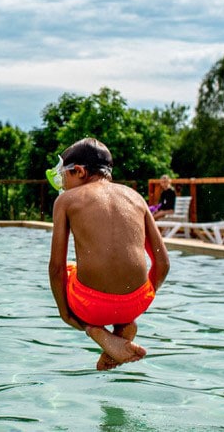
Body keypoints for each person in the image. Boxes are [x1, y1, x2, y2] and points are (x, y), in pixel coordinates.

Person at [48, 138, 170, 370]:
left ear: (80, 171)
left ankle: (97, 332)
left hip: (89, 308)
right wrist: (145, 296)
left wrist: (67, 315)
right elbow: (163, 263)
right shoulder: (135, 197)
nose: (63, 185)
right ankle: (125, 324)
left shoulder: (66, 201)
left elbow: (56, 268)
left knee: (70, 270)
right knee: (127, 292)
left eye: (65, 177)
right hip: (137, 302)